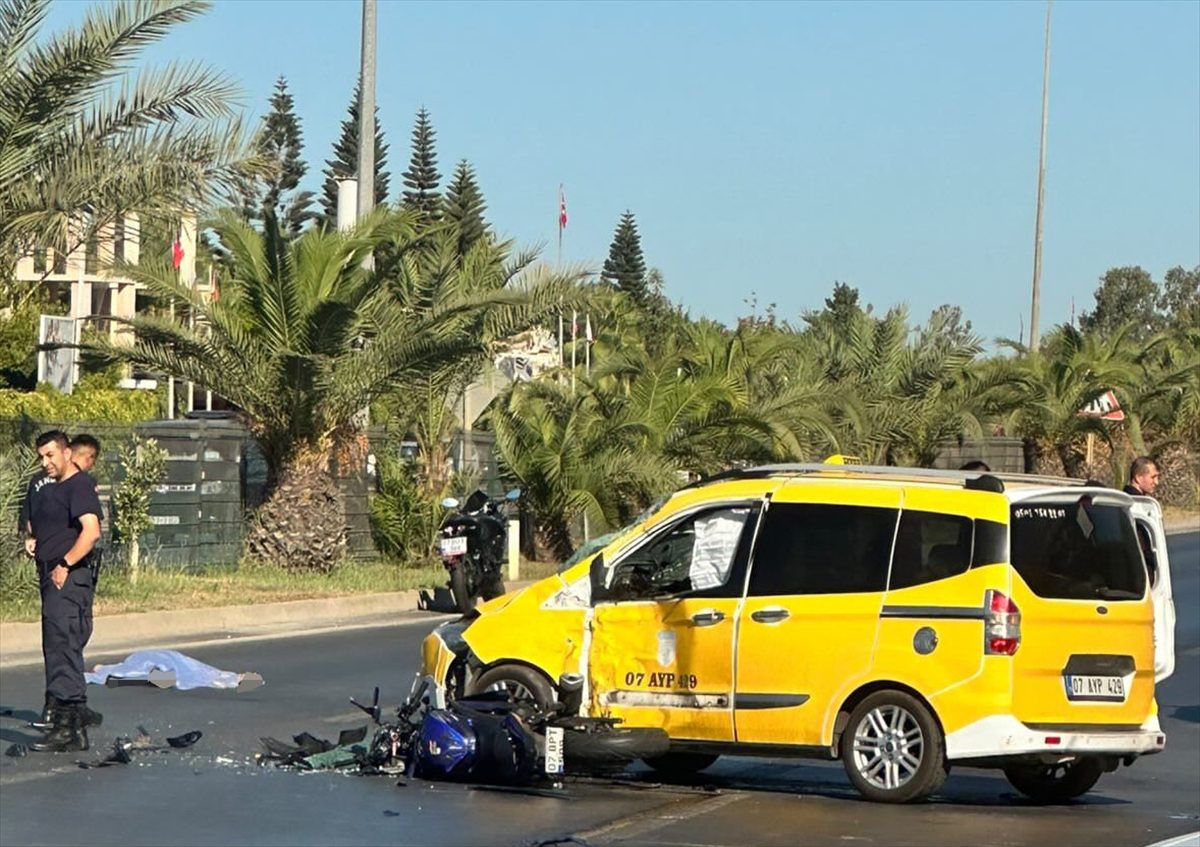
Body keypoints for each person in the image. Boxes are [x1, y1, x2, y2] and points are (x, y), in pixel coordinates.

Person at [24, 431, 103, 752]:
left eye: (51, 456)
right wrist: (32, 541)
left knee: (63, 644)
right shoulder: (49, 488)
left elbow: (92, 532)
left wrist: (65, 564)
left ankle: (68, 728)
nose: (45, 463)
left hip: (68, 578)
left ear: (67, 453)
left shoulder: (79, 485)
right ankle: (70, 712)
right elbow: (37, 524)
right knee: (57, 643)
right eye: (41, 457)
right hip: (51, 575)